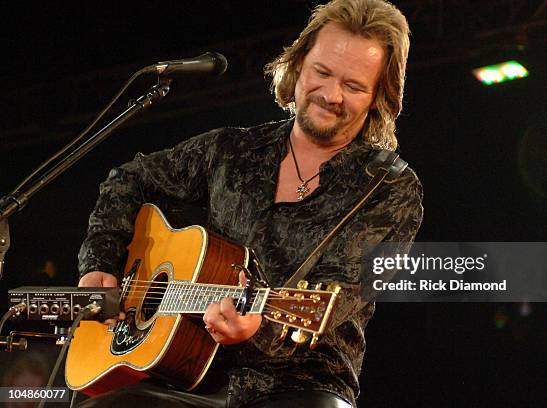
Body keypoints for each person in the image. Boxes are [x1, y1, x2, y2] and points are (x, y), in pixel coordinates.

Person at [77, 0, 423, 406]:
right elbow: (127, 180)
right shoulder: (231, 150)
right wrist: (101, 261)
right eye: (322, 72)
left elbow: (336, 299)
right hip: (189, 375)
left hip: (302, 385)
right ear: (297, 64)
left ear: (379, 96)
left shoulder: (389, 187)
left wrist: (257, 330)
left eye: (353, 86)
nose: (331, 95)